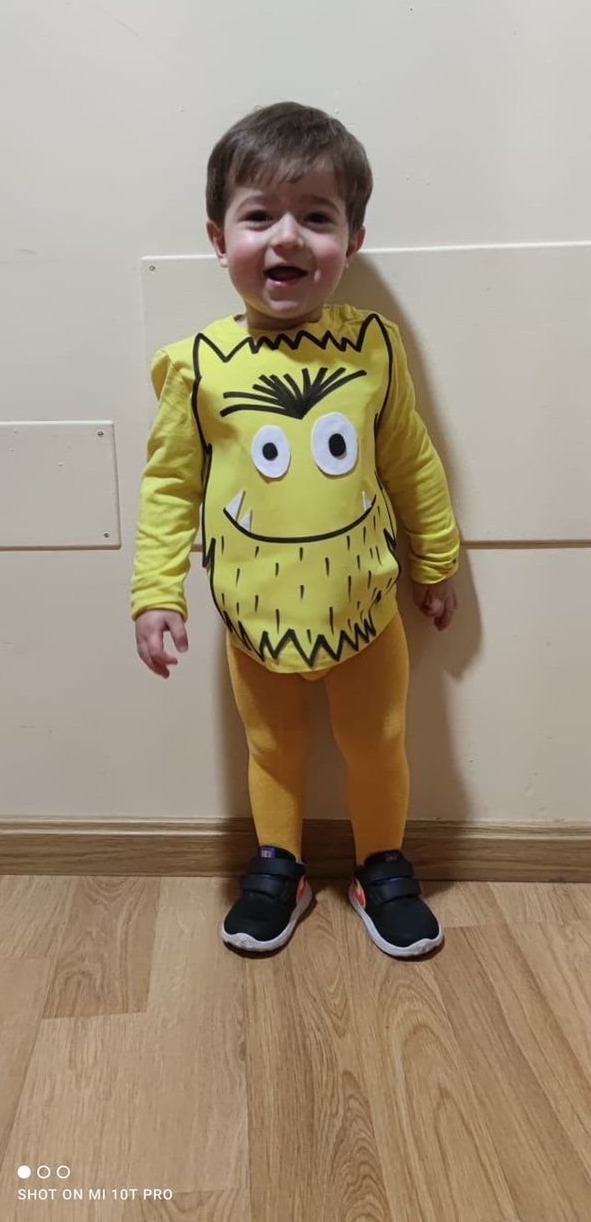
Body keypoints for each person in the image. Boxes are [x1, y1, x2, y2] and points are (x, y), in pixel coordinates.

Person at [131, 101, 459, 959]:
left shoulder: (374, 350)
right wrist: (156, 591)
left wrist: (436, 562)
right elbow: (169, 485)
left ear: (352, 240)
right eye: (260, 216)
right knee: (271, 749)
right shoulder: (199, 367)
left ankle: (381, 866)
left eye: (317, 216)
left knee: (377, 744)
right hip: (254, 616)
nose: (287, 236)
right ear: (218, 237)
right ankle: (279, 865)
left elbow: (411, 460)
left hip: (367, 611)